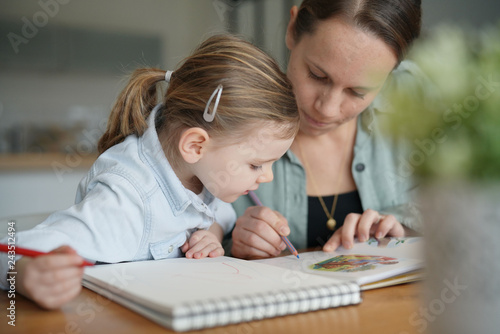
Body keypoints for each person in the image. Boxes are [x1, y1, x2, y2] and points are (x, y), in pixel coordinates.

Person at [0, 34, 299, 309]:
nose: (267, 176)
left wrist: (212, 232)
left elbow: (219, 214)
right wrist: (23, 275)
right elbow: (10, 250)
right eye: (256, 164)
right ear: (195, 145)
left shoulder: (205, 171)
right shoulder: (127, 200)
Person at [229, 0, 425, 259]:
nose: (327, 109)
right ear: (292, 30)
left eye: (358, 91)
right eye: (317, 75)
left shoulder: (417, 100)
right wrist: (229, 247)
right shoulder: (229, 116)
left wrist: (403, 232)